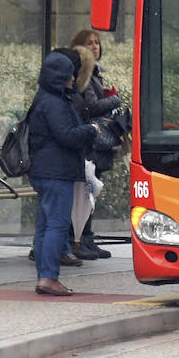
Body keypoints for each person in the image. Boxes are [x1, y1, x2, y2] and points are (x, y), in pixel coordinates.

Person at [29, 49, 98, 296]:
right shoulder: (55, 103)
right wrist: (91, 129)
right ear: (60, 77)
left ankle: (44, 276)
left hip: (44, 171)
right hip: (56, 172)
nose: (73, 79)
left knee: (45, 226)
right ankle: (49, 277)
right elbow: (67, 136)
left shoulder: (43, 98)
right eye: (69, 74)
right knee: (57, 225)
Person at [69, 30, 122, 259]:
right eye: (89, 43)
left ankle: (87, 238)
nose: (95, 46)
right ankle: (80, 240)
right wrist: (115, 100)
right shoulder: (85, 74)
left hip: (95, 142)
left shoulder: (96, 73)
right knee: (86, 191)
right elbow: (92, 105)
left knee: (92, 191)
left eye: (97, 43)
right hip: (90, 141)